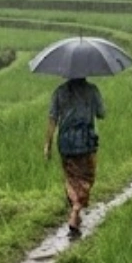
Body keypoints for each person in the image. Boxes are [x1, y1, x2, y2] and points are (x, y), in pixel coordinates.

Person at [44, 75, 105, 240]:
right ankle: (76, 209)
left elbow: (52, 119)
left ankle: (75, 214)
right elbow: (101, 113)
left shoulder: (59, 92)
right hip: (86, 141)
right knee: (87, 177)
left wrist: (47, 144)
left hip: (65, 142)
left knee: (71, 178)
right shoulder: (92, 90)